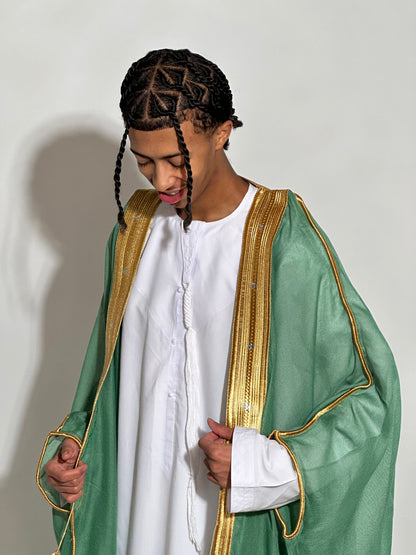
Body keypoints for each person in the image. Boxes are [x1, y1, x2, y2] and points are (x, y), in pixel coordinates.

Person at [37, 49, 400, 555]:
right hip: (137, 523)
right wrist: (74, 447)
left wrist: (261, 466)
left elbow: (370, 397)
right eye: (143, 161)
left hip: (228, 522)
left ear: (222, 132)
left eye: (176, 160)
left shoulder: (283, 240)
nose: (161, 180)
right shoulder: (133, 232)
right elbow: (105, 383)